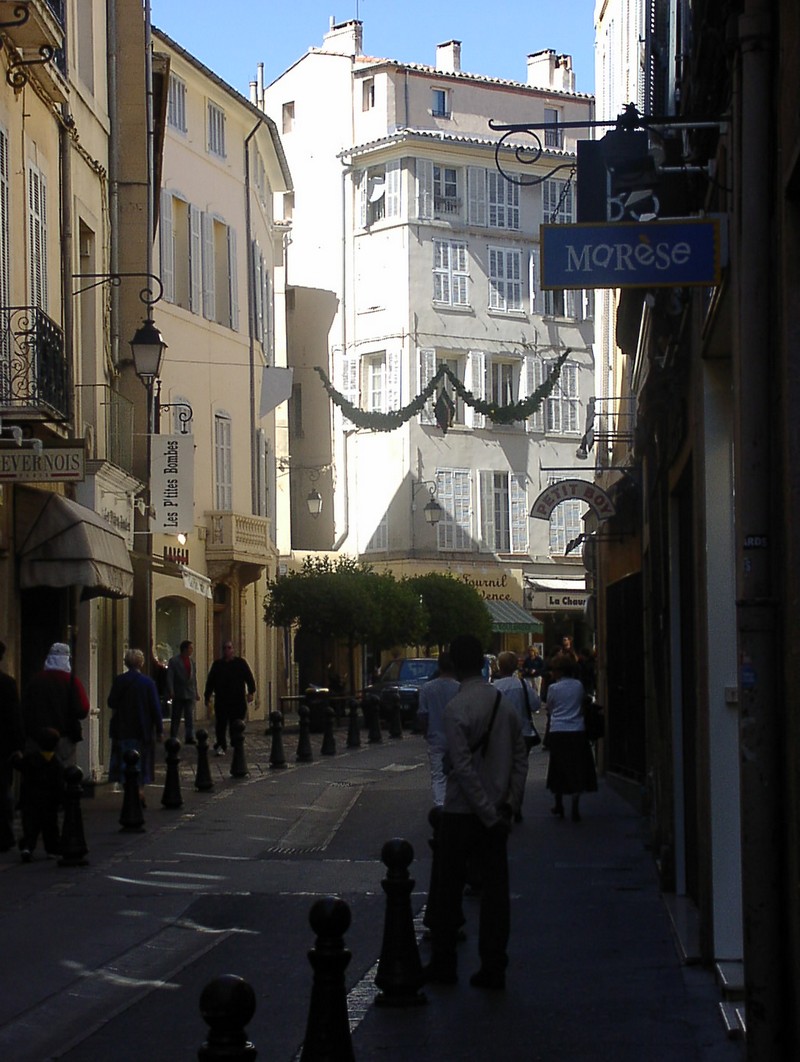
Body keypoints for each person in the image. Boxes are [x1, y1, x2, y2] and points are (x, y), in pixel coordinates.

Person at [425, 633, 528, 991]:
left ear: (453, 663)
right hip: (497, 812)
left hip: (461, 812)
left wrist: (485, 811)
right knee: (496, 896)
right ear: (483, 664)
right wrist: (509, 805)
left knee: (448, 891)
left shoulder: (457, 709)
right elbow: (520, 757)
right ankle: (494, 965)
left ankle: (444, 964)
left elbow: (463, 769)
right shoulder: (504, 703)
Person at [543, 651, 598, 822]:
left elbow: (550, 707)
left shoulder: (553, 688)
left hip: (558, 730)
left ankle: (558, 802)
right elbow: (582, 703)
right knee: (577, 767)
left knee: (558, 767)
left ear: (559, 671)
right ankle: (575, 800)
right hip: (577, 729)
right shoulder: (578, 686)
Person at [108, 649, 164, 805]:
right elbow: (155, 708)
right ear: (141, 663)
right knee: (142, 761)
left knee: (124, 760)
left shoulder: (119, 681)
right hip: (142, 728)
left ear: (126, 662)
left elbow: (111, 702)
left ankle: (129, 790)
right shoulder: (148, 683)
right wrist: (159, 729)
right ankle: (139, 789)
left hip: (122, 728)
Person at [22, 642, 90, 766]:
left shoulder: (36, 681)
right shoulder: (72, 682)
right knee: (65, 773)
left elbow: (25, 708)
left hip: (37, 737)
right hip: (65, 737)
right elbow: (83, 709)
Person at [493, 651, 541, 822]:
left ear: (500, 666)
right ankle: (516, 804)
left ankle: (504, 803)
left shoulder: (495, 687)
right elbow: (535, 704)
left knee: (502, 770)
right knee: (519, 771)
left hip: (501, 735)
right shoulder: (523, 684)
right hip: (524, 733)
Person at [12, 726, 63, 862]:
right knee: (50, 827)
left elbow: (18, 764)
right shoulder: (56, 763)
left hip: (30, 799)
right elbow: (59, 784)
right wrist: (60, 800)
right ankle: (52, 849)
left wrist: (16, 756)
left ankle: (27, 847)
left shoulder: (31, 759)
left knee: (30, 826)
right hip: (49, 802)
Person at [416, 652, 460, 806]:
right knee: (460, 774)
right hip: (457, 737)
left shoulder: (427, 688)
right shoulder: (460, 688)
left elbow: (423, 714)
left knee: (438, 777)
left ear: (439, 666)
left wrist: (426, 732)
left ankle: (440, 807)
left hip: (436, 737)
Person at [204, 642, 256, 756]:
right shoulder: (217, 665)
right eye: (225, 648)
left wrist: (251, 692)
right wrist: (207, 696)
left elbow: (249, 677)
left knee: (236, 723)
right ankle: (221, 744)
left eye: (229, 648)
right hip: (222, 700)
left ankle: (235, 741)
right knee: (221, 724)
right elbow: (211, 681)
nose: (227, 650)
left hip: (237, 699)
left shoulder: (240, 663)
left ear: (233, 650)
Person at [0, 641, 24, 852]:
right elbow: (14, 718)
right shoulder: (6, 684)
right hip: (3, 747)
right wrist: (17, 746)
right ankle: (5, 835)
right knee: (3, 791)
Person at [166, 640, 199, 745]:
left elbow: (194, 679)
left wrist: (196, 692)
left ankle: (190, 736)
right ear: (185, 649)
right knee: (176, 715)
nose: (191, 650)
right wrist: (171, 690)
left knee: (189, 715)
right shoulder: (174, 661)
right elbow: (170, 677)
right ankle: (173, 735)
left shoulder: (191, 661)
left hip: (189, 692)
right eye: (190, 648)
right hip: (178, 692)